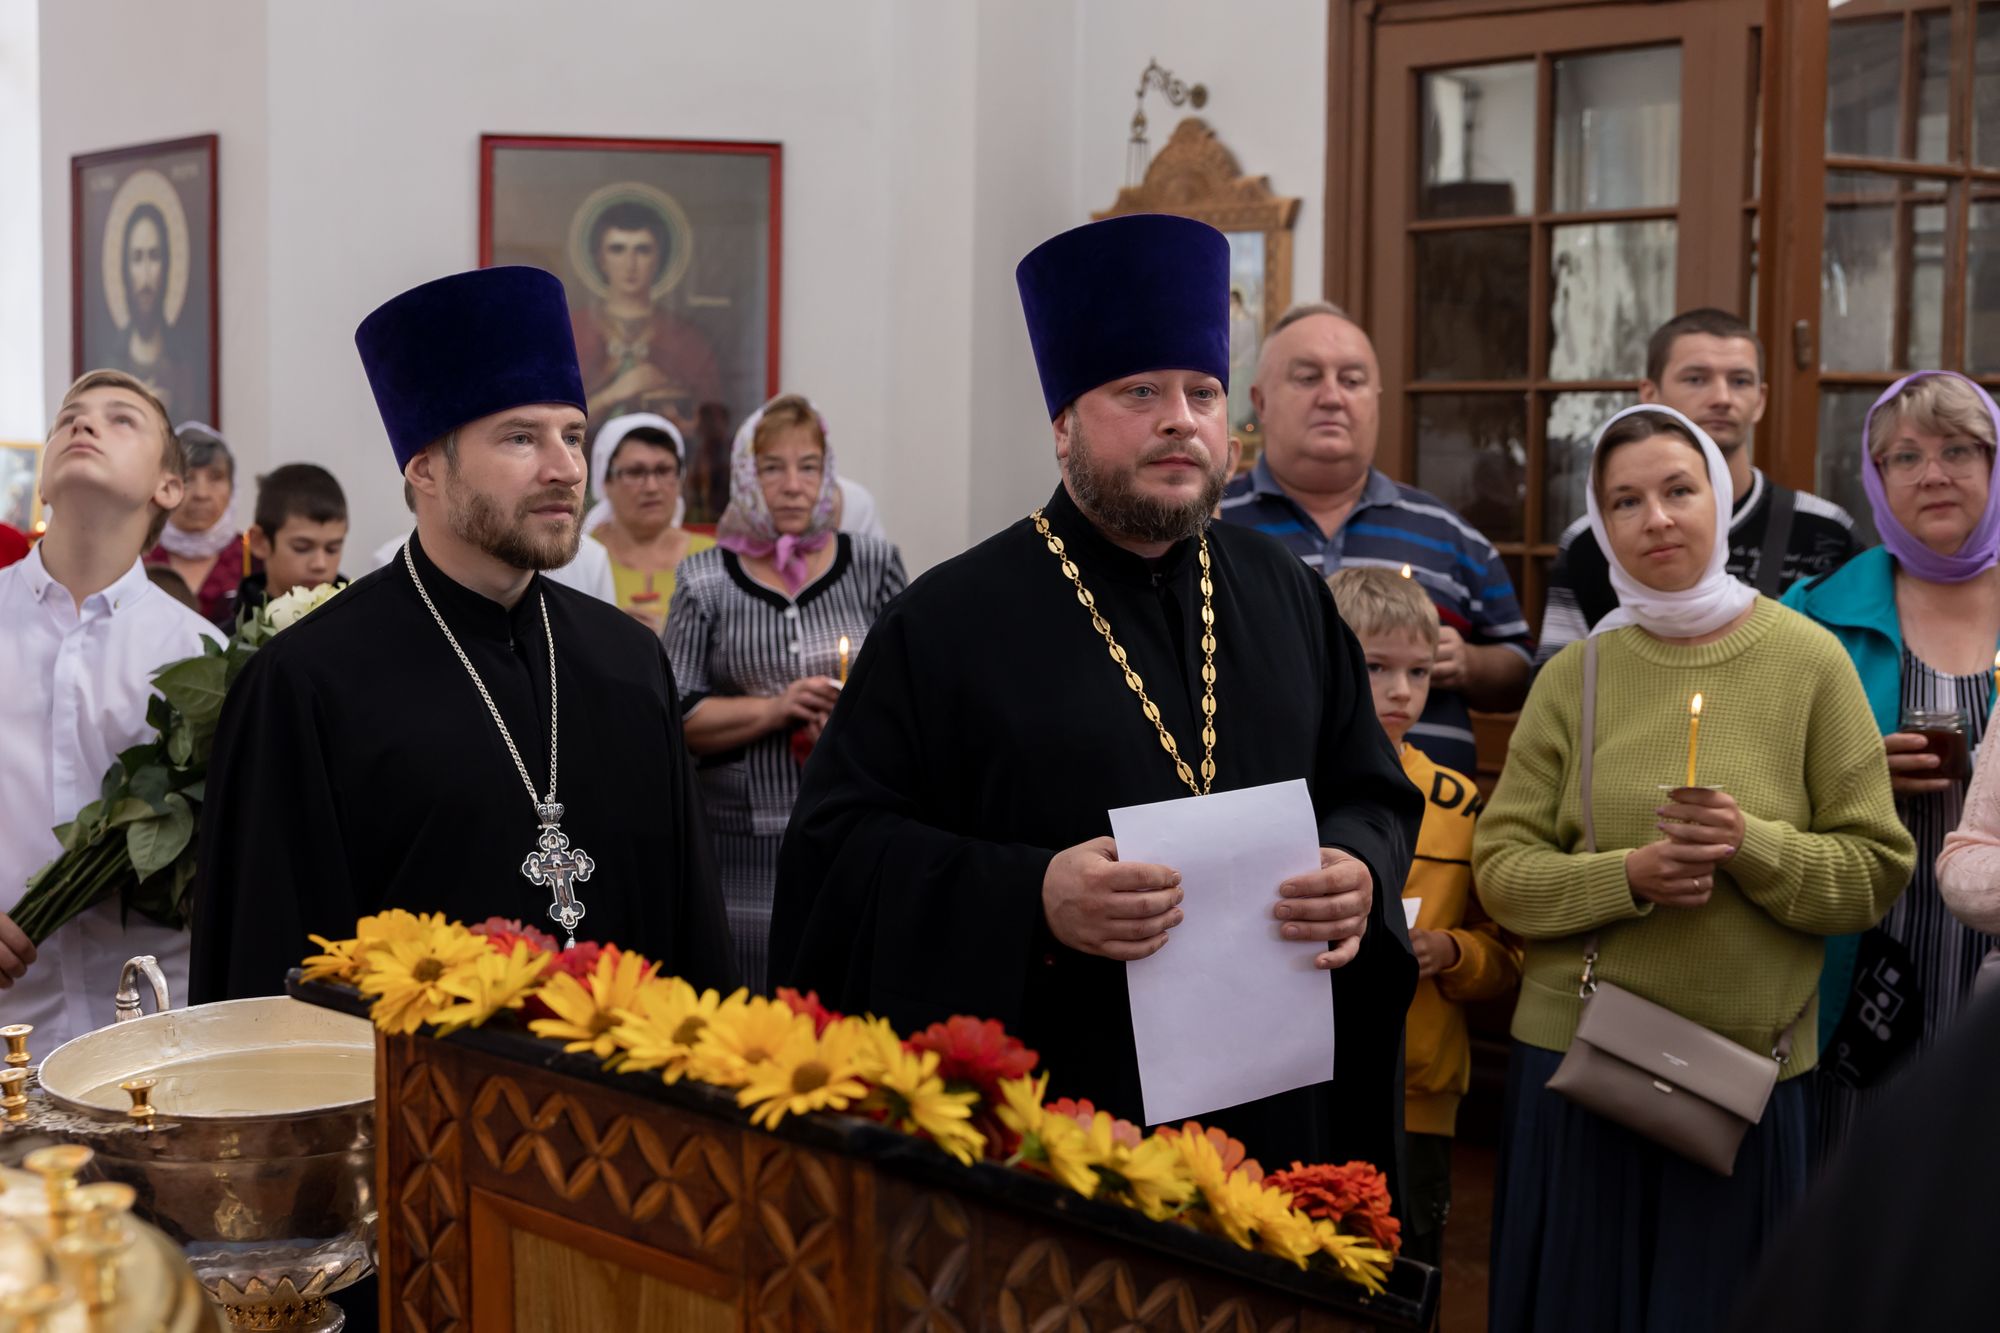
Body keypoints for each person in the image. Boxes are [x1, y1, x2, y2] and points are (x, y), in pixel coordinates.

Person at [770, 214, 1423, 1180]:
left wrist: (1359, 865)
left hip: (1277, 1112)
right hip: (1062, 1119)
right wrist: (1032, 896)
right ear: (1063, 425)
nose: (1180, 419)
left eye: (1203, 392)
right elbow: (837, 858)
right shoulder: (947, 620)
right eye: (1139, 391)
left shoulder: (1285, 592)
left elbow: (1372, 790)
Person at [1473, 404, 1911, 1333]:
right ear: (1602, 527)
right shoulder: (1576, 675)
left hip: (1742, 1076)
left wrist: (1750, 843)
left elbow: (1873, 872)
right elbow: (1503, 873)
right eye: (1625, 501)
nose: (1657, 518)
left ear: (1719, 497)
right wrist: (1628, 876)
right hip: (1578, 1066)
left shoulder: (1811, 662)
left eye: (1679, 489)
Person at [191, 265, 737, 1004]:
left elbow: (692, 935)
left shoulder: (630, 661)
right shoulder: (306, 683)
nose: (565, 468)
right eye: (521, 438)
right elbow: (268, 975)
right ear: (425, 468)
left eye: (574, 436)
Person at [1782, 370, 2000, 1153]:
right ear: (1876, 478)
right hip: (1866, 954)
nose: (1933, 473)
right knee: (1862, 1176)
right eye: (1905, 457)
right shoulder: (1814, 615)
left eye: (1958, 450)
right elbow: (1757, 778)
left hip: (1995, 932)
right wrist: (1856, 767)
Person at [0, 370, 222, 1050]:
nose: (84, 423)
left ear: (169, 487)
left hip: (157, 1029)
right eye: (69, 416)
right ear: (43, 481)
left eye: (121, 418)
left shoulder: (203, 660)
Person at [1219, 302, 1531, 776]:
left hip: (1430, 814)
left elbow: (1520, 669)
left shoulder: (1446, 531)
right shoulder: (1212, 525)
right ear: (1259, 402)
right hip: (1264, 806)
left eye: (1352, 380)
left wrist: (1468, 663)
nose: (1331, 397)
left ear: (1375, 399)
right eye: (1307, 378)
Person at [665, 394, 905, 993]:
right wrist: (776, 709)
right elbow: (676, 715)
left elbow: (913, 700)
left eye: (809, 466)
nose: (793, 485)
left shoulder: (874, 564)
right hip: (742, 844)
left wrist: (852, 727)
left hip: (854, 833)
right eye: (772, 467)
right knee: (748, 999)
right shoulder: (704, 579)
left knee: (843, 996)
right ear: (746, 476)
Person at [1326, 566, 1519, 1270]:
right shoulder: (1287, 788)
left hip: (1419, 1092)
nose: (1403, 692)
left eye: (1419, 671)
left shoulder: (1460, 802)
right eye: (1376, 667)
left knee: (1410, 1270)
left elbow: (1506, 951)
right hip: (1307, 1083)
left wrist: (1454, 951)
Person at [1537, 308, 1858, 666]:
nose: (1722, 397)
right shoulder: (1591, 540)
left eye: (1740, 381)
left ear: (1760, 400)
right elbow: (1559, 680)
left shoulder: (1826, 530)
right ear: (1650, 393)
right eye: (1696, 379)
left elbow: (1857, 669)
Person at [571, 201, 724, 434]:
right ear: (600, 259)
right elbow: (554, 421)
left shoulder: (686, 338)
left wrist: (685, 423)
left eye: (642, 250)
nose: (630, 263)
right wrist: (613, 394)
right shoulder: (574, 330)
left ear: (659, 258)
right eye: (617, 249)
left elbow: (711, 424)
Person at [370, 478, 619, 606]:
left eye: (572, 439)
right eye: (520, 439)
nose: (571, 472)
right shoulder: (389, 560)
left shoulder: (616, 636)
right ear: (425, 473)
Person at [582, 413, 715, 635]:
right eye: (635, 472)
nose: (652, 487)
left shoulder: (712, 559)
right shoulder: (580, 560)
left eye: (664, 470)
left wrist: (678, 641)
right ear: (605, 481)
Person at [145, 421, 247, 623]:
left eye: (216, 477)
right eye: (187, 478)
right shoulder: (137, 558)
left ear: (232, 487)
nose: (202, 494)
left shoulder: (254, 560)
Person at [231, 463, 348, 627]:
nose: (320, 564)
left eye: (332, 549)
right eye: (302, 547)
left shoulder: (360, 620)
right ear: (260, 542)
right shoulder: (226, 639)